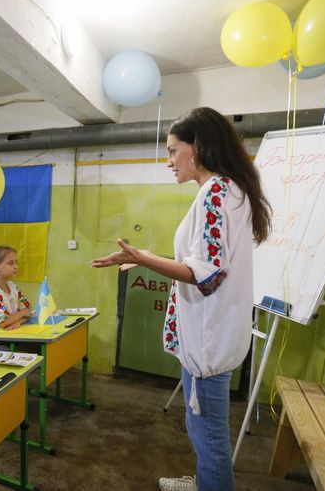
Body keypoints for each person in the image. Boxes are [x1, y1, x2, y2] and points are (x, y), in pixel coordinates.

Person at [92, 107, 272, 491]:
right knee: (201, 429)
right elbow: (202, 262)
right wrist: (143, 257)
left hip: (208, 343)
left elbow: (204, 274)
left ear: (198, 148)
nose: (169, 160)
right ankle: (202, 481)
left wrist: (140, 257)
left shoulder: (217, 192)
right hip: (209, 336)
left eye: (174, 150)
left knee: (211, 441)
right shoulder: (226, 190)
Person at [0, 246, 32, 352]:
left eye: (16, 262)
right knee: (23, 354)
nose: (16, 266)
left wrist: (19, 321)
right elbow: (4, 322)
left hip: (10, 337)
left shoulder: (12, 286)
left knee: (36, 348)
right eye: (11, 263)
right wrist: (22, 313)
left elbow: (28, 311)